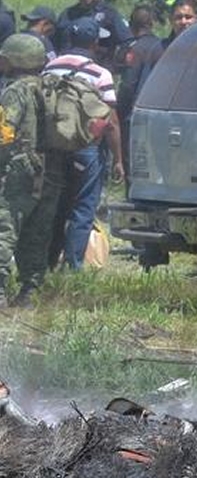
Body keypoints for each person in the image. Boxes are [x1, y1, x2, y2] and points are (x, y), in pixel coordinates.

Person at [44, 17, 124, 271]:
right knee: (84, 206)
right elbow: (110, 119)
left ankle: (48, 262)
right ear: (95, 43)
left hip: (54, 147)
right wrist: (119, 159)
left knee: (57, 203)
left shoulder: (49, 66)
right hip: (86, 148)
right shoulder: (100, 73)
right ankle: (73, 266)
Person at [0, 34, 47, 307]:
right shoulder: (46, 87)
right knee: (35, 231)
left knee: (4, 227)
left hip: (19, 170)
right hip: (48, 170)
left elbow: (5, 133)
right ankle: (30, 290)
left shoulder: (15, 91)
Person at [117, 5, 163, 188]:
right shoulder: (162, 45)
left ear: (130, 24)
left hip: (135, 115)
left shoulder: (135, 49)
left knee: (134, 164)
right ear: (152, 23)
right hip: (160, 113)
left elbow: (128, 84)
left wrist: (118, 110)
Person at [55, 0, 130, 65]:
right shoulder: (67, 14)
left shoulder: (110, 13)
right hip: (67, 64)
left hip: (97, 66)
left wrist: (115, 63)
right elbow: (56, 40)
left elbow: (126, 40)